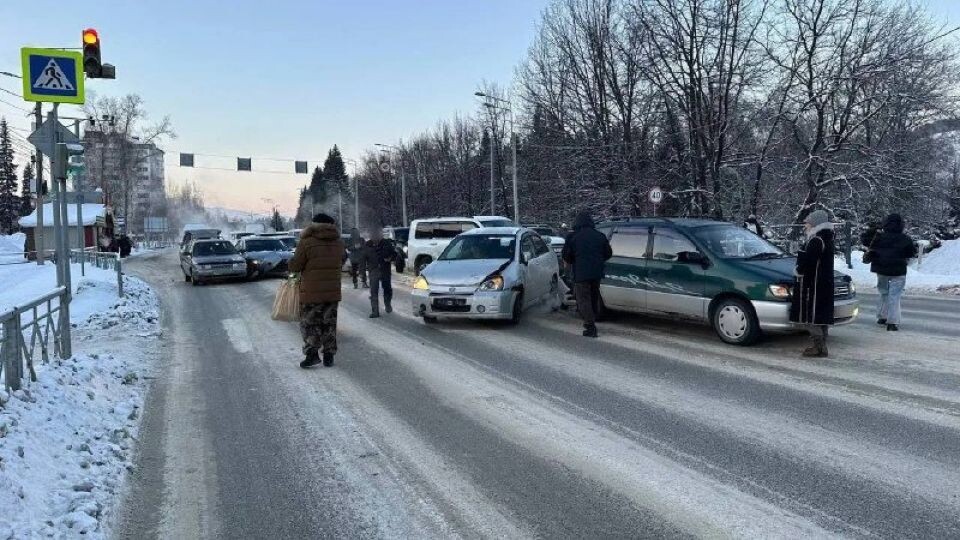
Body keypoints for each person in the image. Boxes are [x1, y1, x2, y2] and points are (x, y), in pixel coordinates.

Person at [289, 213, 344, 368]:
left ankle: (312, 354)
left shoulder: (306, 242)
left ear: (313, 225)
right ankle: (329, 356)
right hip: (332, 291)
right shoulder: (339, 243)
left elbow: (296, 266)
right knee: (329, 324)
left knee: (310, 324)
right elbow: (342, 260)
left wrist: (290, 263)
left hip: (311, 292)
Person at [790, 210, 835, 358]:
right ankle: (822, 346)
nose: (805, 226)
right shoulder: (827, 238)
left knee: (811, 315)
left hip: (814, 284)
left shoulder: (816, 240)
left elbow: (809, 262)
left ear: (815, 224)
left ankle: (819, 347)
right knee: (821, 315)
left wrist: (799, 270)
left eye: (807, 223)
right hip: (824, 283)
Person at [561, 211, 612, 338]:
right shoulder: (600, 235)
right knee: (593, 296)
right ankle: (592, 318)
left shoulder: (572, 237)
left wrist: (575, 260)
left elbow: (566, 256)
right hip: (597, 273)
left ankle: (590, 326)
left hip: (581, 274)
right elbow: (608, 253)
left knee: (583, 299)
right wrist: (598, 260)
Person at [864, 213, 917, 331]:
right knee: (895, 296)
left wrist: (873, 229)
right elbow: (911, 253)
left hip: (881, 269)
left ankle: (882, 316)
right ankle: (892, 322)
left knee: (884, 292)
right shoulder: (905, 239)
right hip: (898, 271)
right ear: (901, 224)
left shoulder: (879, 236)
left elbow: (865, 240)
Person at [363, 228, 397, 318]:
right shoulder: (367, 245)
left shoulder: (387, 243)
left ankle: (387, 303)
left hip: (385, 270)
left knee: (387, 288)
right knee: (373, 291)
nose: (375, 237)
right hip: (373, 270)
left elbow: (395, 254)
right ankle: (375, 311)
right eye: (373, 235)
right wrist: (362, 273)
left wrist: (390, 258)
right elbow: (363, 258)